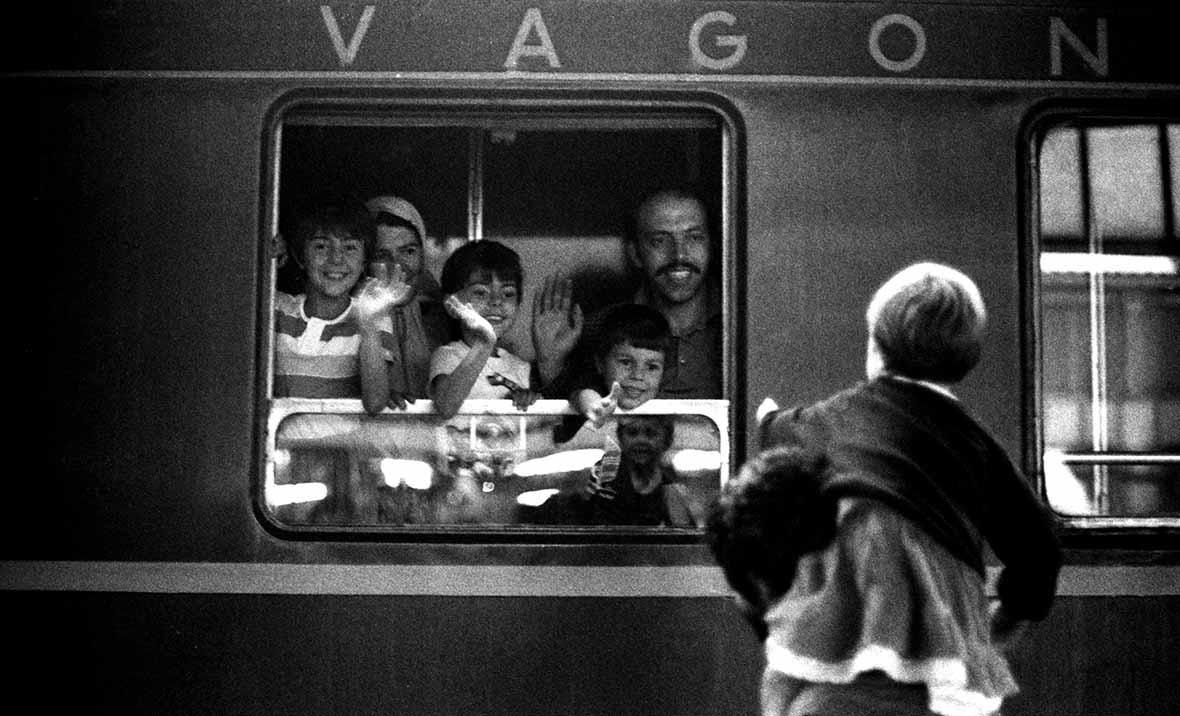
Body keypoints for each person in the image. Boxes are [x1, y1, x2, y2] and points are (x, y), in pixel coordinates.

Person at [723, 262, 1062, 716]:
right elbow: (1040, 546)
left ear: (875, 350)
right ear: (966, 361)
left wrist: (767, 417)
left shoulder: (837, 416)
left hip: (839, 628)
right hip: (947, 649)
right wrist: (1002, 624)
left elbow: (783, 431)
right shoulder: (974, 443)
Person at [536, 186, 722, 401]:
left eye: (694, 238)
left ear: (713, 246)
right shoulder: (597, 330)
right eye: (659, 241)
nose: (679, 254)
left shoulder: (744, 327)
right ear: (636, 254)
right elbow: (568, 426)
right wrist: (551, 363)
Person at [428, 240, 538, 419]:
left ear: (519, 305)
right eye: (480, 292)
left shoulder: (521, 367)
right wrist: (484, 342)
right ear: (452, 306)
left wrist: (527, 399)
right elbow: (446, 405)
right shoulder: (449, 356)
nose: (496, 301)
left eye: (508, 293)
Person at [365, 195, 451, 408]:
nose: (397, 266)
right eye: (381, 254)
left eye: (409, 251)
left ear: (423, 256)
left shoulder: (446, 316)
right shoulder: (350, 316)